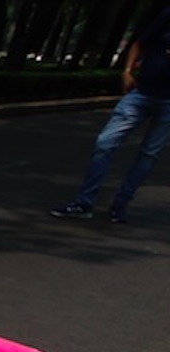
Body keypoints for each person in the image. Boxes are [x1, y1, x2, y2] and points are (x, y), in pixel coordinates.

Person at [49, 4, 170, 225]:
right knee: (105, 143)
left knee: (148, 155)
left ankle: (120, 205)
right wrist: (127, 71)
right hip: (141, 92)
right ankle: (85, 202)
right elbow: (140, 43)